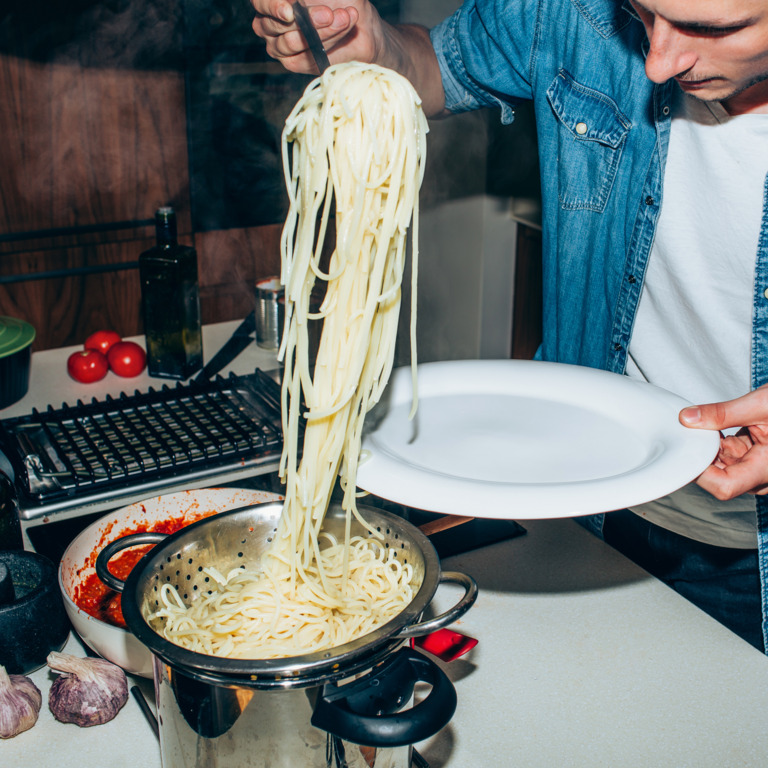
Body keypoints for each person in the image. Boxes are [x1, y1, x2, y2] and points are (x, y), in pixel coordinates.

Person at [250, 0, 768, 651]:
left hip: (752, 557)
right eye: (641, 12)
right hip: (590, 506)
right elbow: (434, 64)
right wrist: (368, 42)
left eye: (713, 28)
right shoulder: (573, 10)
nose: (660, 60)